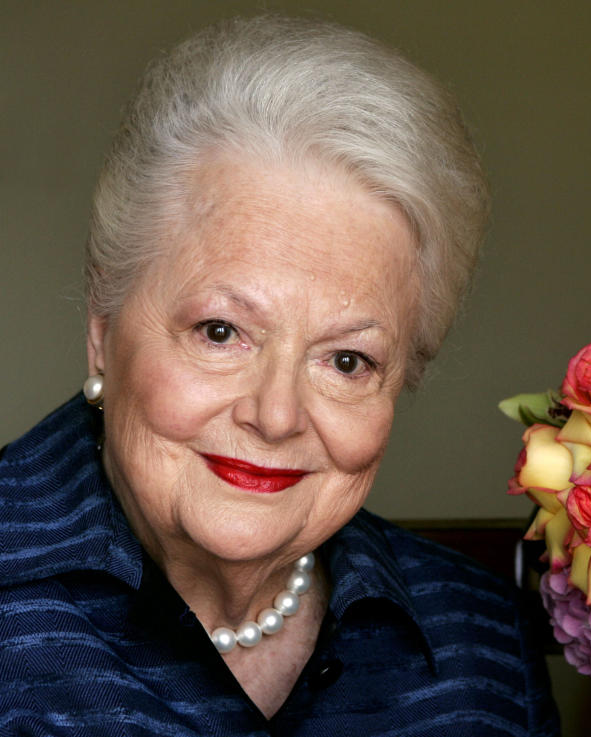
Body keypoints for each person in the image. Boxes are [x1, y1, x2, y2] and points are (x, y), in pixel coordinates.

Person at [0, 15, 559, 736]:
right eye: (221, 331)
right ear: (103, 333)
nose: (276, 414)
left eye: (346, 360)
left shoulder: (482, 649)